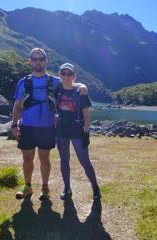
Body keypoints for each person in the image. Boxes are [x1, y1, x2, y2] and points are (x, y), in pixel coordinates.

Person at [12, 48, 88, 200]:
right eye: (35, 59)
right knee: (27, 158)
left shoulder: (54, 81)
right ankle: (27, 186)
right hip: (27, 125)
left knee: (44, 158)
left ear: (46, 61)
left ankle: (45, 188)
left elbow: (70, 83)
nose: (38, 62)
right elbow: (18, 104)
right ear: (30, 61)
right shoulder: (24, 82)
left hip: (47, 126)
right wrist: (14, 124)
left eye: (41, 59)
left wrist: (83, 86)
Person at [55, 63, 101, 200]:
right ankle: (67, 188)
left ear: (74, 76)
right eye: (63, 73)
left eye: (69, 74)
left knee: (85, 161)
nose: (66, 76)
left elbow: (87, 115)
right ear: (60, 75)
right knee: (64, 160)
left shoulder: (81, 92)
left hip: (77, 131)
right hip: (61, 131)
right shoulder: (57, 89)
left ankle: (95, 188)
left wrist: (86, 133)